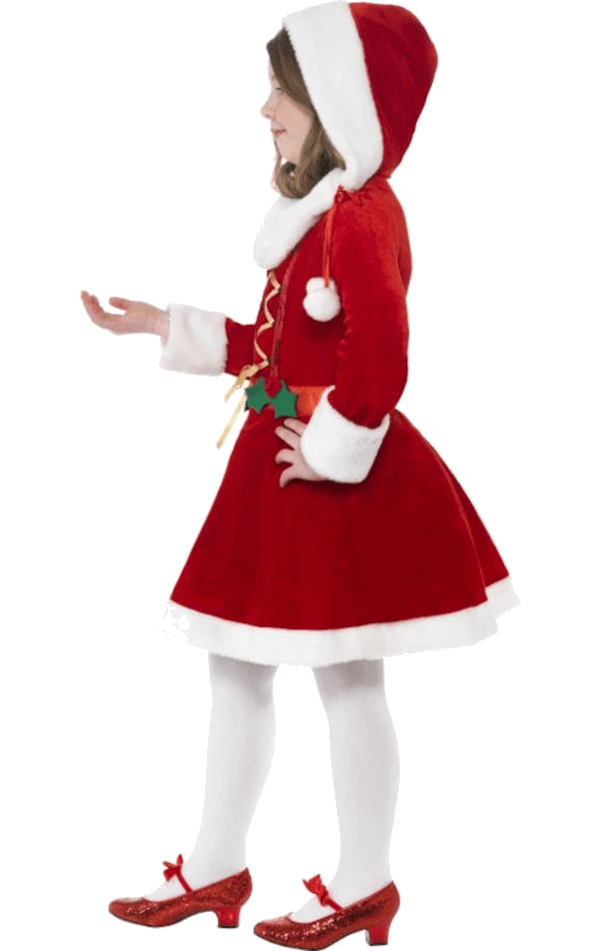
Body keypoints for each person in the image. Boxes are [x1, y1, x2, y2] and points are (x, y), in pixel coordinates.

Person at [90, 2, 522, 941]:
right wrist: (164, 325)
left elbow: (382, 359)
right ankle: (221, 865)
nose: (268, 111)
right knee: (246, 660)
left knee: (345, 669)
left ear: (333, 100)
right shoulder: (319, 216)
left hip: (323, 476)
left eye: (282, 92)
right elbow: (273, 348)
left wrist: (330, 452)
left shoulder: (358, 217)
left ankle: (358, 879)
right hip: (284, 467)